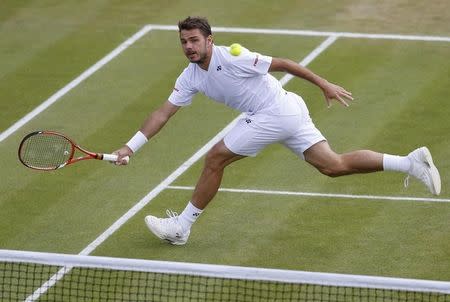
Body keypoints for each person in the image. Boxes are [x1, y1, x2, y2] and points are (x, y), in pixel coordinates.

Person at [114, 16, 441, 245]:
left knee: (215, 158)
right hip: (288, 109)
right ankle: (410, 162)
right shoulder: (189, 77)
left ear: (209, 40)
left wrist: (323, 83)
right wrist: (130, 147)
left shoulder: (233, 58)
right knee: (332, 165)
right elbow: (163, 113)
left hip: (275, 111)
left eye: (194, 40)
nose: (188, 46)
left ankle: (181, 227)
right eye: (184, 41)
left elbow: (283, 63)